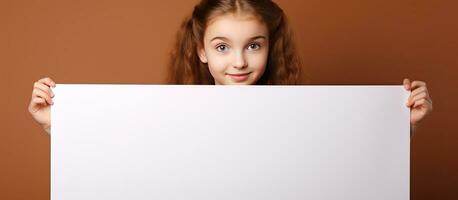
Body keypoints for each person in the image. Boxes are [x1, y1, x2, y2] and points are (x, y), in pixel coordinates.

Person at [27, 0, 433, 134]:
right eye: (222, 46)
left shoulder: (306, 118)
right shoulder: (165, 116)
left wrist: (403, 128)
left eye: (253, 45)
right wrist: (54, 125)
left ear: (270, 48)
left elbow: (346, 166)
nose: (238, 61)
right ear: (202, 51)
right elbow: (121, 159)